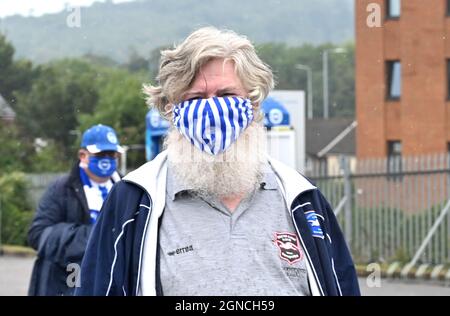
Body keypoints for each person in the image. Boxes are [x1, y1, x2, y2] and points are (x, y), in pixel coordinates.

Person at [76, 27, 360, 296]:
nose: (212, 110)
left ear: (253, 102)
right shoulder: (134, 200)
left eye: (226, 95)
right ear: (172, 109)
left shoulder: (302, 199)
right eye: (196, 97)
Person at [28, 124, 123, 296]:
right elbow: (38, 235)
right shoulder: (61, 188)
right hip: (68, 281)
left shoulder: (127, 189)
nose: (107, 159)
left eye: (112, 155)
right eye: (101, 154)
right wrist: (93, 237)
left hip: (112, 280)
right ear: (83, 155)